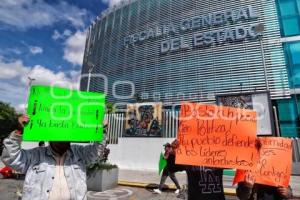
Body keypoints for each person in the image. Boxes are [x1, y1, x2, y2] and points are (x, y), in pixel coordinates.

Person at [1, 114, 107, 200]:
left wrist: (102, 131)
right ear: (50, 137)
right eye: (58, 137)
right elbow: (11, 158)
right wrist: (19, 131)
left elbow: (96, 152)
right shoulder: (36, 155)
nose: (62, 141)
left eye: (65, 138)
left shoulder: (78, 153)